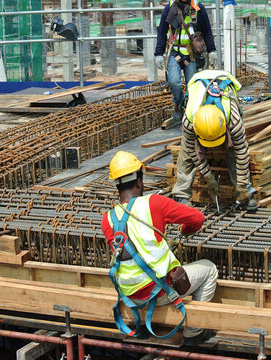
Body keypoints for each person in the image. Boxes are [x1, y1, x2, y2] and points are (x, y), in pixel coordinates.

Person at [101, 151, 218, 346]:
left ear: (117, 185)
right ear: (139, 181)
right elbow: (198, 218)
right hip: (160, 291)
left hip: (130, 296)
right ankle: (194, 332)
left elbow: (130, 251)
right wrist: (186, 231)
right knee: (209, 269)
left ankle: (146, 323)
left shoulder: (108, 219)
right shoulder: (154, 203)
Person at [171, 69, 258, 211]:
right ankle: (181, 194)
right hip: (199, 81)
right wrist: (208, 176)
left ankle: (245, 193)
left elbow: (242, 152)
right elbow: (193, 151)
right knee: (186, 151)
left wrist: (242, 185)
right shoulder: (189, 120)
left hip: (221, 85)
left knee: (234, 152)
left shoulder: (233, 120)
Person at [155, 0, 217, 123]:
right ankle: (179, 103)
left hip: (192, 55)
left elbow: (207, 31)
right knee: (174, 82)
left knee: (192, 86)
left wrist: (212, 50)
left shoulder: (198, 8)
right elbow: (162, 32)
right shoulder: (170, 9)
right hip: (175, 52)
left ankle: (189, 109)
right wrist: (158, 53)